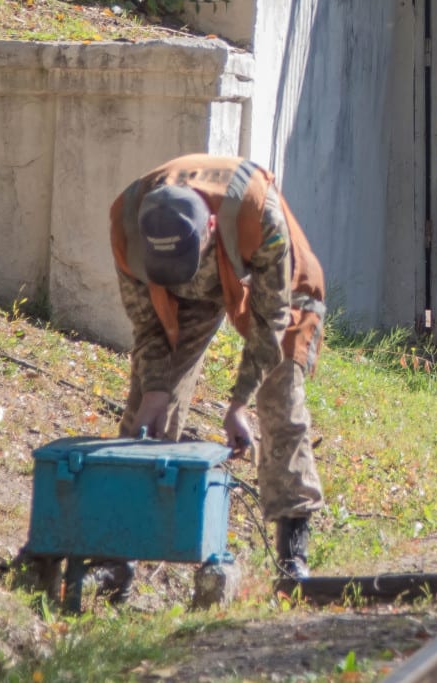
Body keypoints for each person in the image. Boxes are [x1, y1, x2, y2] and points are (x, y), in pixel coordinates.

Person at [109, 154, 327, 583]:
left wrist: (239, 404)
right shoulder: (126, 226)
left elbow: (269, 323)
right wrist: (156, 389)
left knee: (281, 398)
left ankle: (292, 556)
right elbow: (148, 325)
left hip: (281, 285)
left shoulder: (257, 214)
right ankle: (122, 548)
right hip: (190, 281)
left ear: (209, 227)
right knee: (144, 412)